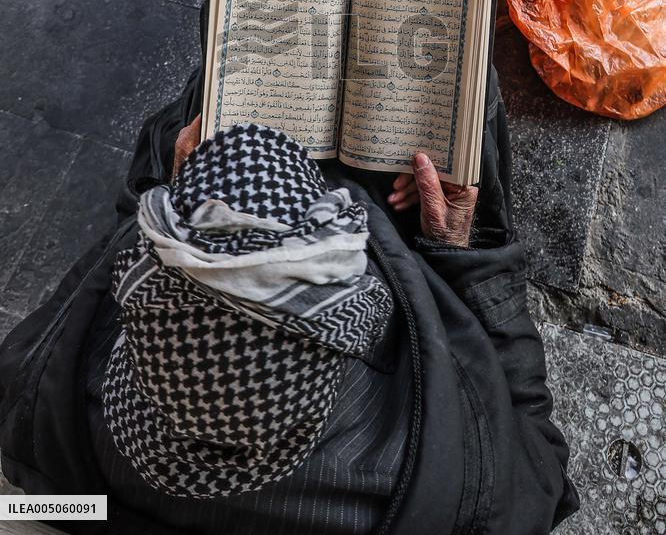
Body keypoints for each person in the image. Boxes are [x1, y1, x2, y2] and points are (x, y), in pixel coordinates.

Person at [0, 40, 578, 535]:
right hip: (412, 248)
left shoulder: (40, 426)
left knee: (207, 85)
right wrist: (461, 251)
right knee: (472, 94)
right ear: (344, 338)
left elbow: (53, 507)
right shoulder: (468, 503)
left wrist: (175, 200)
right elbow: (542, 455)